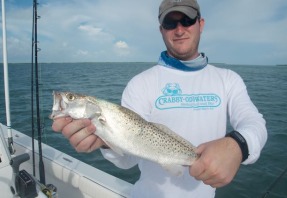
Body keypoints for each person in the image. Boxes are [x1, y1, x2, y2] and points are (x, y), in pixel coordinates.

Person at [52, 0, 267, 197]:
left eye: (187, 20)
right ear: (161, 30)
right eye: (170, 23)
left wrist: (237, 145)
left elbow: (255, 124)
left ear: (200, 24)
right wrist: (105, 142)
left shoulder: (228, 79)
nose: (180, 30)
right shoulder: (140, 83)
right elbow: (127, 159)